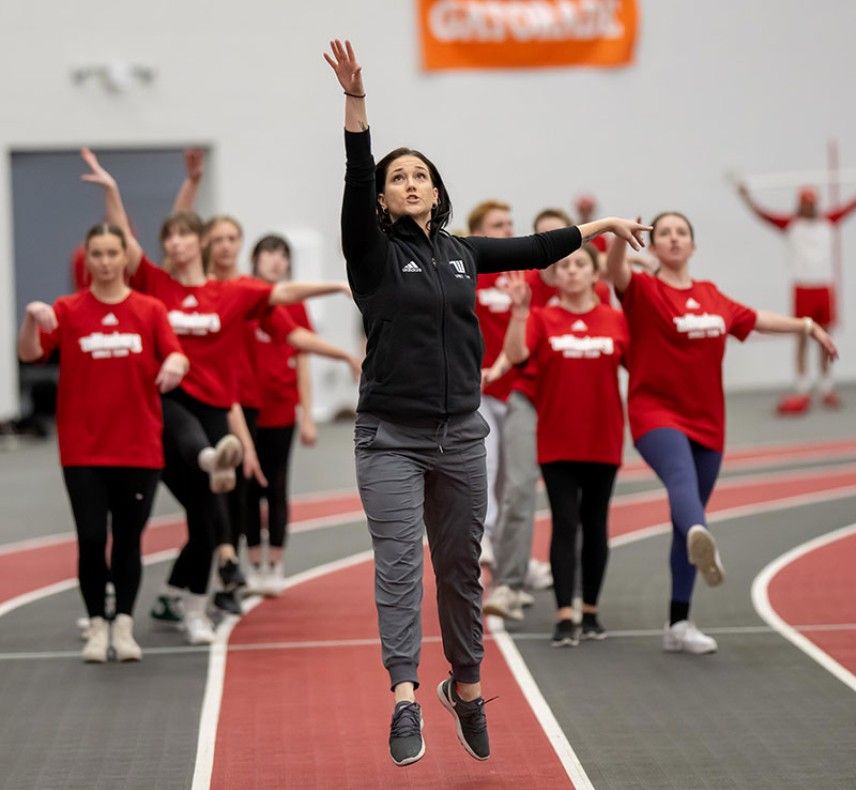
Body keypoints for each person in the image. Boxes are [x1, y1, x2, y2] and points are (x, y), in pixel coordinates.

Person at [324, 37, 648, 766]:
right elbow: (353, 173)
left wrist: (599, 227)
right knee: (400, 564)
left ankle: (465, 687)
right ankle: (404, 698)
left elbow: (537, 250)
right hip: (390, 436)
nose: (410, 183)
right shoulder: (370, 253)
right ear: (382, 197)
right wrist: (356, 105)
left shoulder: (461, 252)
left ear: (438, 192)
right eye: (397, 177)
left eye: (420, 176)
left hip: (460, 434)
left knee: (461, 570)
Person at [79, 148, 349, 644]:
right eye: (171, 236)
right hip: (168, 407)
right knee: (183, 427)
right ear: (165, 246)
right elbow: (125, 242)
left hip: (216, 411)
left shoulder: (231, 293)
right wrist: (113, 193)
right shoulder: (155, 285)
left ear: (199, 243)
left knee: (207, 523)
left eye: (186, 234)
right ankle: (208, 457)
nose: (178, 243)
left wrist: (336, 285)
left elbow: (283, 295)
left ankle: (194, 606)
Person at [607, 212, 838, 654]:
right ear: (653, 248)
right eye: (665, 233)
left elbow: (755, 318)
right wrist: (620, 238)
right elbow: (616, 272)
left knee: (684, 525)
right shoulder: (644, 290)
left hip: (709, 420)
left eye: (682, 232)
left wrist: (807, 326)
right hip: (655, 412)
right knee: (682, 484)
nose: (674, 239)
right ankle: (700, 530)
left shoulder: (712, 295)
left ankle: (678, 624)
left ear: (692, 246)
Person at [18, 223, 189, 663]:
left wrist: (174, 361)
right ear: (87, 260)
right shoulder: (69, 308)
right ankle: (97, 625)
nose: (107, 262)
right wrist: (30, 322)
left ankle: (125, 626)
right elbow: (30, 354)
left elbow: (176, 353)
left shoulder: (149, 309)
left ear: (123, 258)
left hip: (139, 448)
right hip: (84, 449)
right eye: (98, 254)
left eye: (114, 253)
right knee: (92, 538)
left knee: (128, 540)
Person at [502, 244, 628, 645]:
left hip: (603, 435)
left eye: (580, 264)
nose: (571, 271)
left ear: (595, 274)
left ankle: (590, 611)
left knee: (595, 524)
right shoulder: (543, 317)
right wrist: (520, 313)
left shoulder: (615, 320)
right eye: (564, 266)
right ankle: (563, 615)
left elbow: (644, 367)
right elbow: (517, 355)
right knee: (564, 522)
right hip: (557, 437)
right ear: (554, 277)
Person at [484, 208, 602, 622]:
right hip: (528, 398)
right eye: (546, 238)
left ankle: (580, 597)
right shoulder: (527, 281)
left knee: (579, 504)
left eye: (564, 236)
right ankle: (509, 584)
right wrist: (496, 370)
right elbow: (514, 343)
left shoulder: (588, 282)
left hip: (574, 406)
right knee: (517, 488)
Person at [244, 233, 362, 595]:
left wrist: (307, 416)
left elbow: (301, 361)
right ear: (256, 259)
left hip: (281, 409)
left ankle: (275, 564)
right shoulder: (244, 298)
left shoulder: (295, 306)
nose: (276, 261)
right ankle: (251, 564)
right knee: (248, 490)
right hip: (246, 410)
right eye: (268, 253)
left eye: (282, 255)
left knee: (276, 485)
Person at [736, 182, 856, 413]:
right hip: (803, 289)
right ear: (799, 205)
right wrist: (746, 196)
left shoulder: (828, 222)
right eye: (804, 203)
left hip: (824, 288)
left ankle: (826, 387)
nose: (808, 207)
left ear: (815, 204)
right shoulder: (792, 225)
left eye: (811, 203)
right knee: (801, 337)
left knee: (825, 339)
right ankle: (802, 389)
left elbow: (850, 206)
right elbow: (764, 215)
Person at [468, 200, 515, 567]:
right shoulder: (470, 272)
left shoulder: (519, 273)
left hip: (517, 388)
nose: (508, 231)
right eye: (499, 225)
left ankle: (504, 543)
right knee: (488, 461)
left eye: (510, 224)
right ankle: (482, 536)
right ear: (480, 232)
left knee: (510, 475)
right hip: (480, 386)